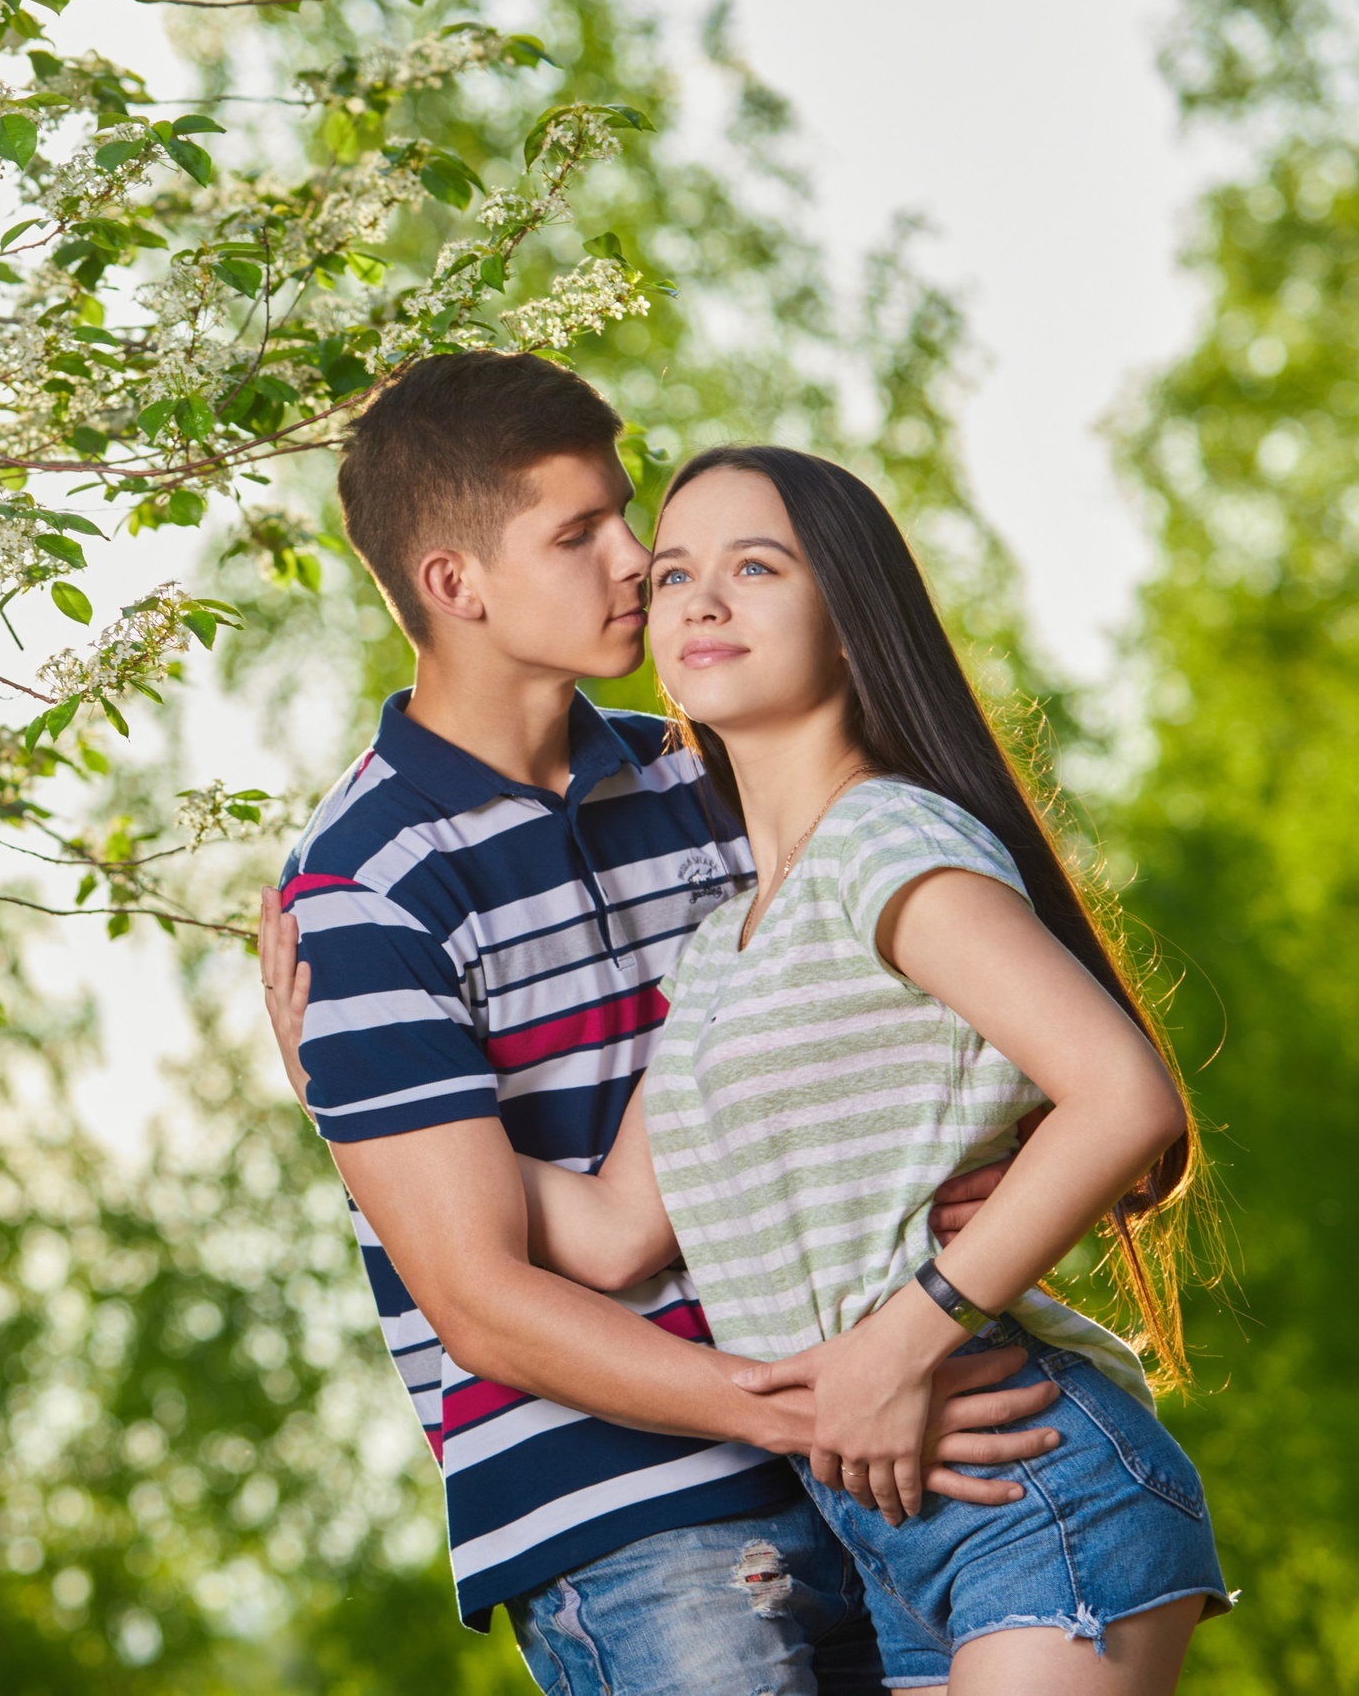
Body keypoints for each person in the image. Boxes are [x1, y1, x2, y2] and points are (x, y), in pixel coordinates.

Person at [252, 350, 1064, 1694]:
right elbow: (485, 1303)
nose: (638, 558)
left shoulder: (711, 782)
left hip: (881, 1451)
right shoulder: (363, 889)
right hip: (638, 1522)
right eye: (581, 532)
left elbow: (916, 1044)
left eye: (626, 514)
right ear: (457, 584)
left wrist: (981, 1184)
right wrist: (814, 1399)